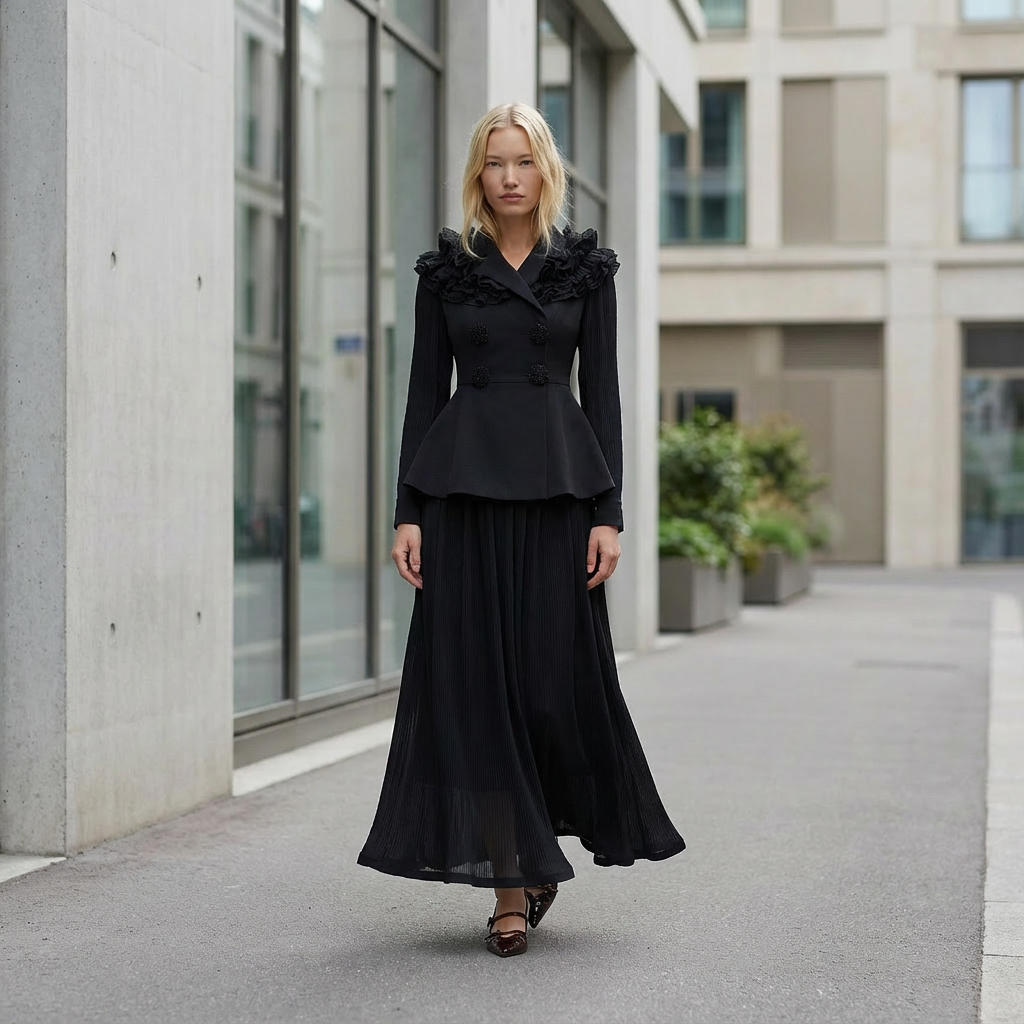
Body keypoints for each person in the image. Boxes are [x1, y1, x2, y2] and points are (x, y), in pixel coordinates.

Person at [357, 103, 685, 958]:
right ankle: (510, 885)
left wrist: (609, 514)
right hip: (461, 502)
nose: (509, 177)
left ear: (546, 172)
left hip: (557, 502)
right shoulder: (449, 271)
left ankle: (539, 851)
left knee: (545, 687)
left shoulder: (584, 269)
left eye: (523, 162)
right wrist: (407, 510)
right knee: (478, 693)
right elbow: (424, 394)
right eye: (495, 163)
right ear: (478, 173)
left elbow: (603, 397)